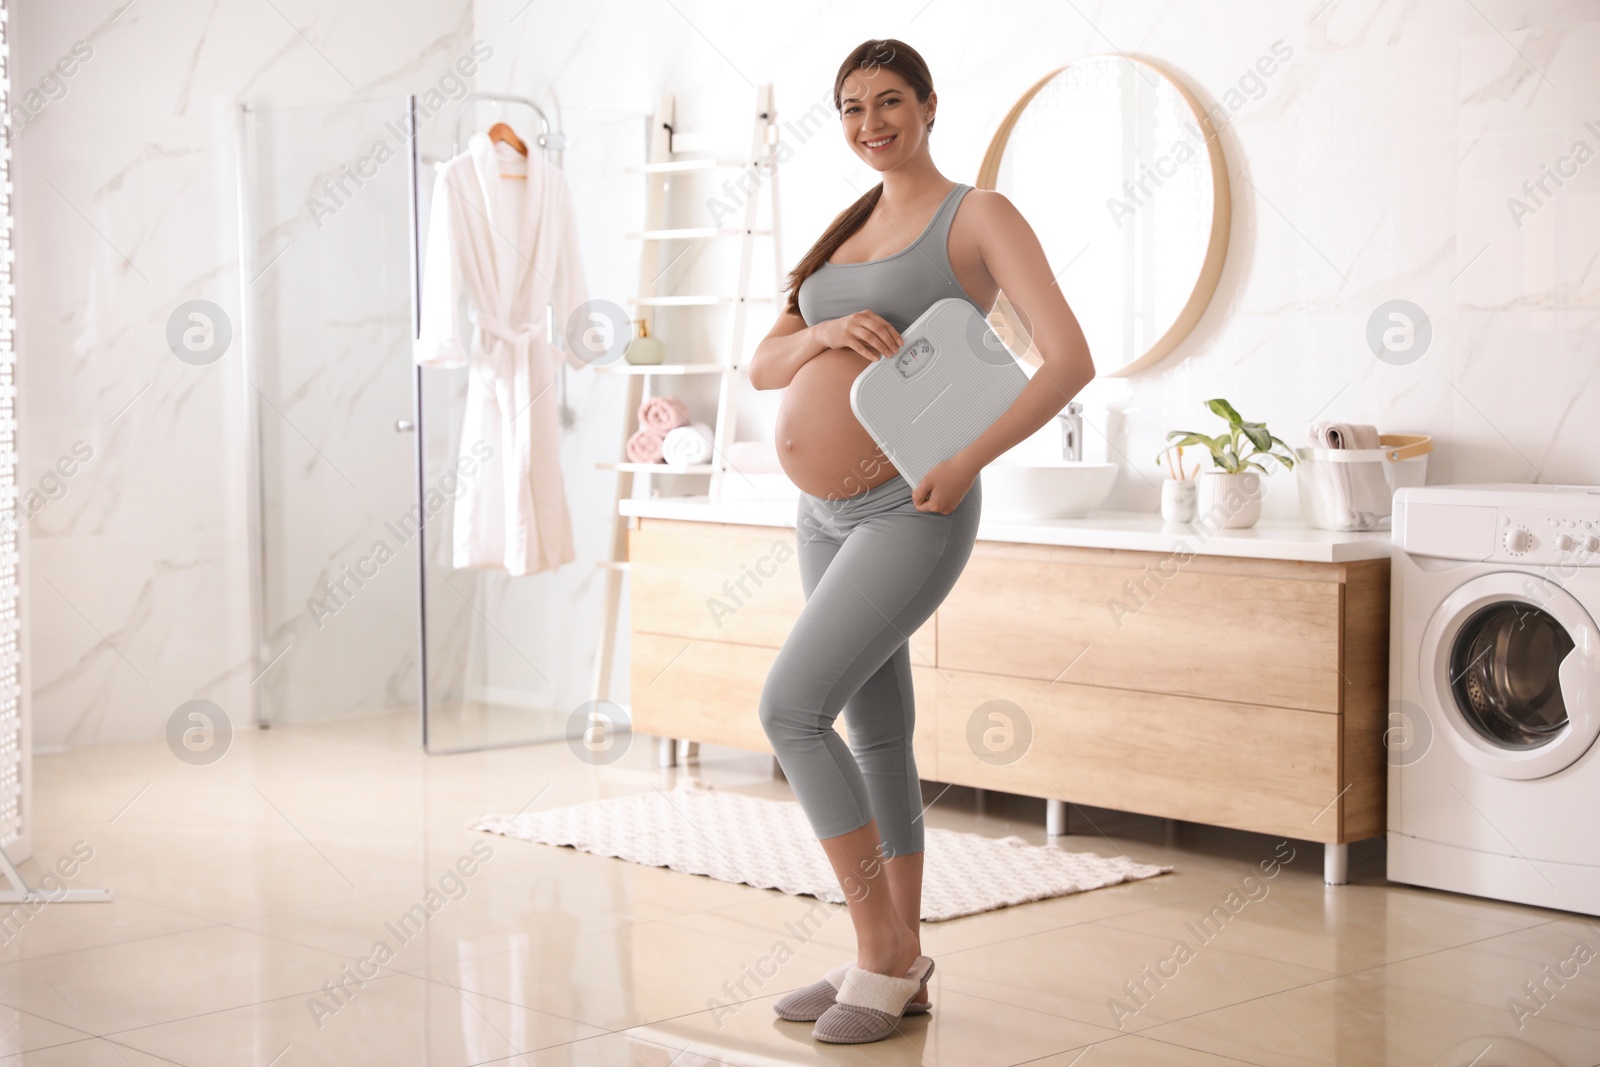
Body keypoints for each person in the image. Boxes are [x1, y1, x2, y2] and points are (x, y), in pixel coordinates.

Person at [746, 37, 1095, 1044]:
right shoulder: (846, 224)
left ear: (929, 105)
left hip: (914, 504)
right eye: (851, 108)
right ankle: (888, 960)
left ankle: (886, 949)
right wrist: (820, 334)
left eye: (888, 101)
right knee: (876, 730)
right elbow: (766, 363)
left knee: (790, 709)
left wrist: (966, 458)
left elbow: (1068, 358)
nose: (869, 124)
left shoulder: (975, 215)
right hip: (823, 513)